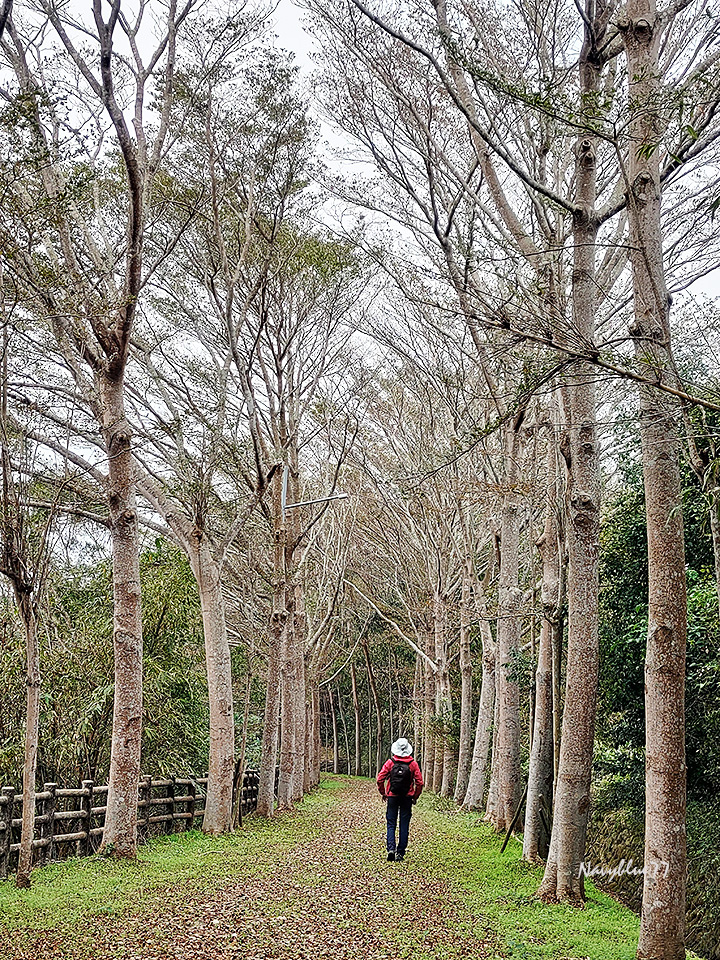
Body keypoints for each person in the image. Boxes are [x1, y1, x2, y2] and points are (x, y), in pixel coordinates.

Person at [376, 737, 424, 862]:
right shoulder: (413, 764)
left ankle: (391, 849)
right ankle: (400, 853)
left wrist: (384, 793)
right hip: (407, 798)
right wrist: (415, 796)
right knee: (404, 824)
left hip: (392, 796)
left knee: (391, 823)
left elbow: (380, 779)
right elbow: (420, 782)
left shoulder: (390, 763)